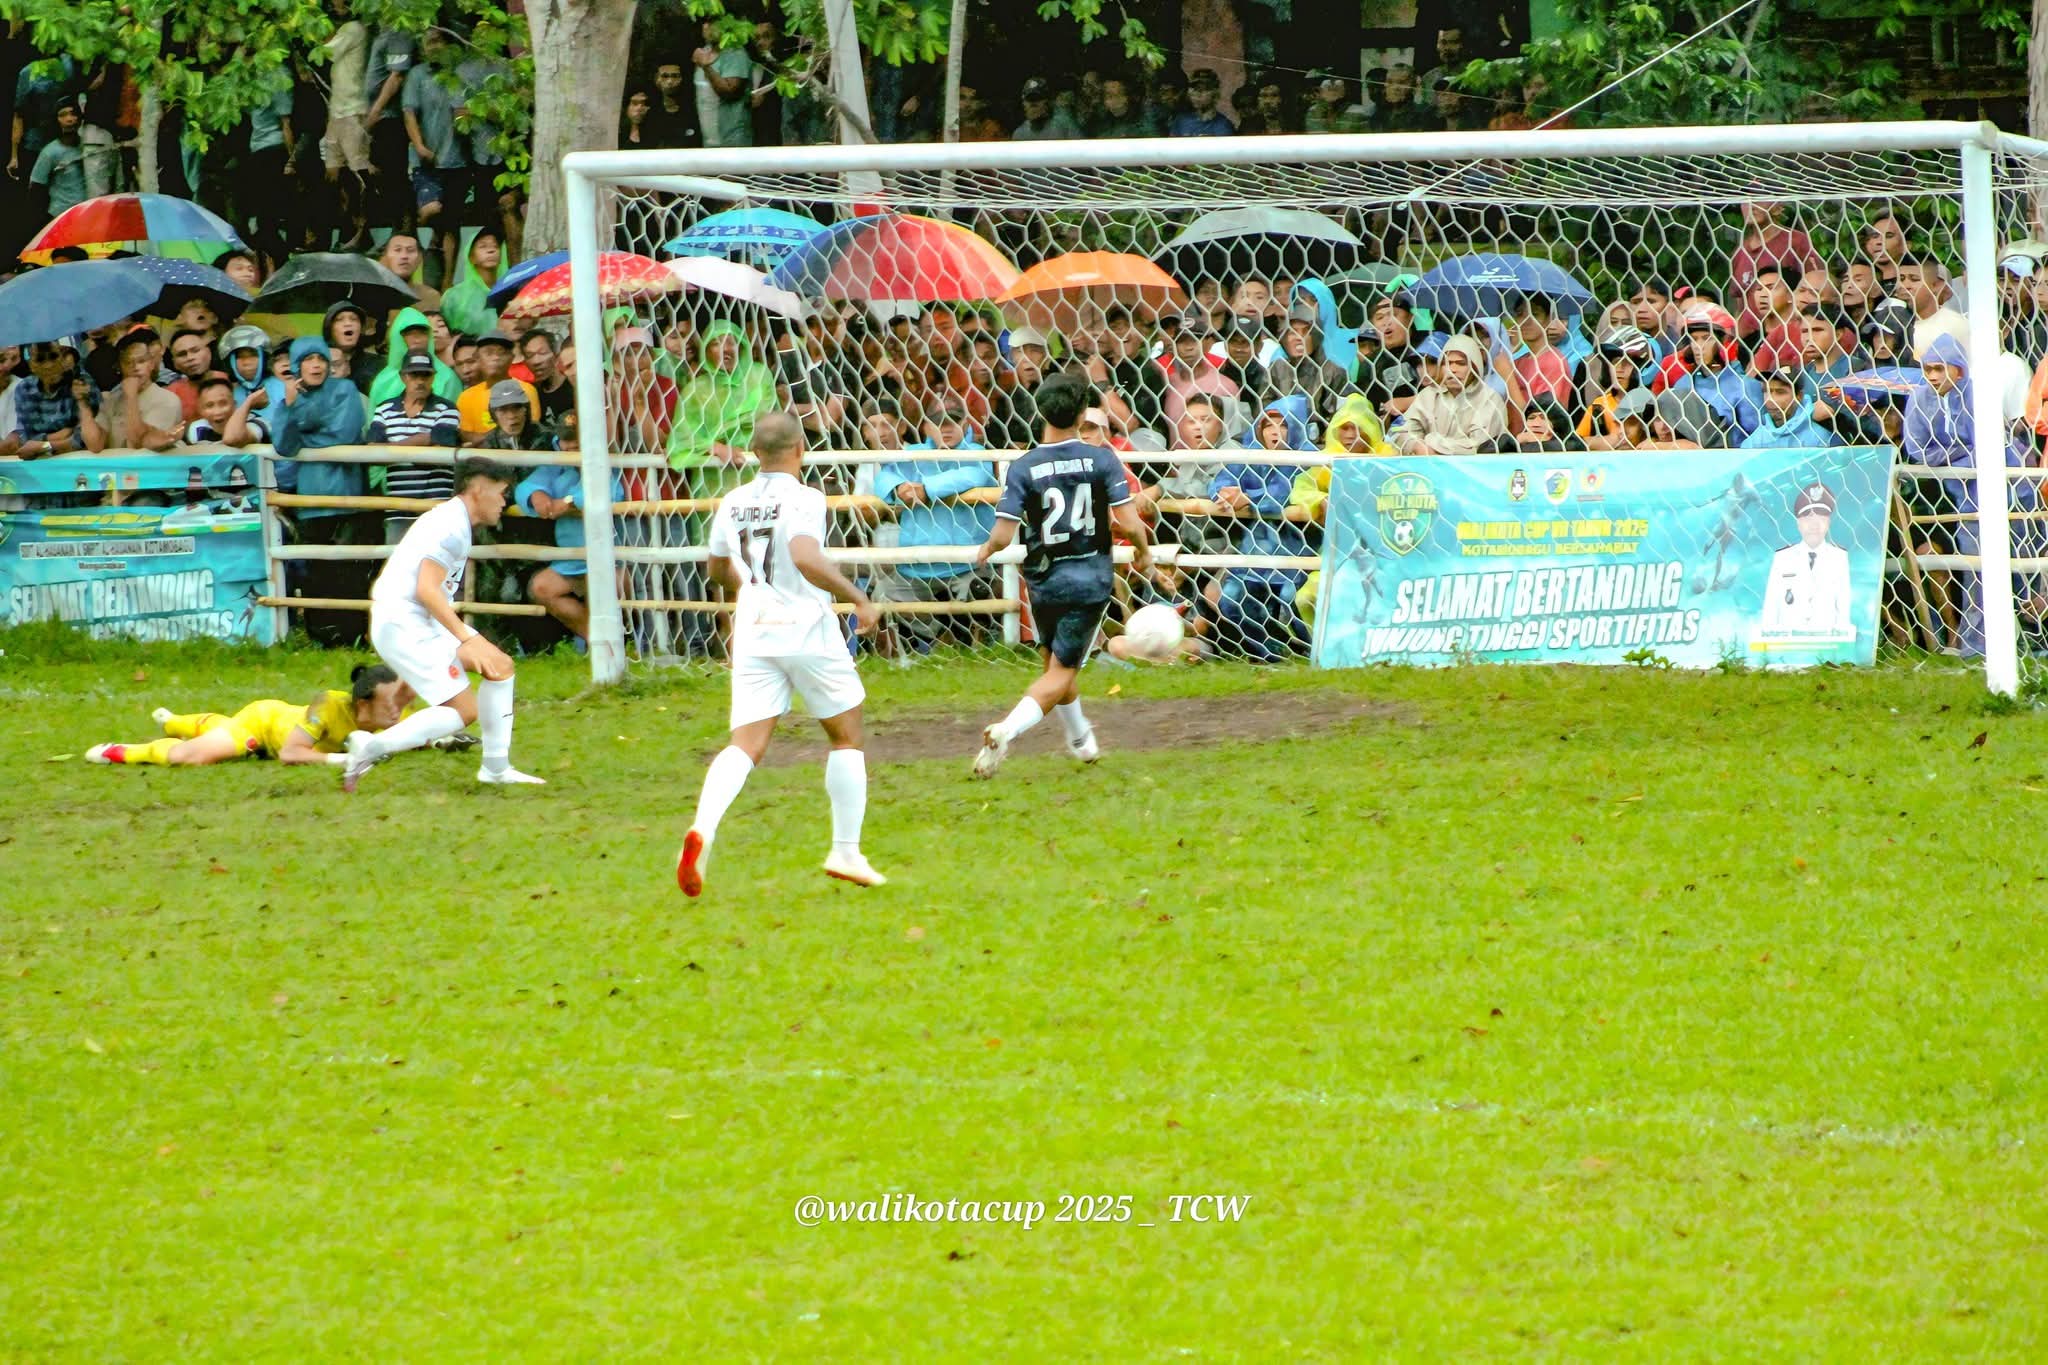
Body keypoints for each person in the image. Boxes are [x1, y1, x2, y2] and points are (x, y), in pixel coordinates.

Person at [677, 410, 884, 895]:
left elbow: (716, 570)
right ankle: (845, 851)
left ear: (754, 453)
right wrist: (858, 598)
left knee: (745, 744)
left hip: (754, 631)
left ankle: (703, 828)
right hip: (806, 627)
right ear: (799, 450)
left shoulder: (733, 501)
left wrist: (753, 590)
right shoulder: (805, 497)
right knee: (846, 735)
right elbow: (805, 556)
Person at [968, 373, 1158, 777]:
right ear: (1082, 413)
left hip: (1043, 579)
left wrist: (986, 550)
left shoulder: (1023, 466)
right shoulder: (1102, 459)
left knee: (1053, 663)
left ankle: (1081, 742)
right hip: (1088, 578)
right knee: (1061, 671)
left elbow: (1002, 535)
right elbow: (1129, 523)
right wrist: (1144, 554)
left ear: (1041, 411)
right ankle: (1006, 730)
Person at [343, 458, 542, 790]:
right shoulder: (450, 528)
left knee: (500, 666)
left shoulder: (452, 521)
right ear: (478, 488)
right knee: (463, 710)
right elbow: (427, 589)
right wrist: (466, 638)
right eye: (501, 492)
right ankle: (371, 747)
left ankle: (495, 769)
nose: (504, 502)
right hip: (404, 622)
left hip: (412, 620)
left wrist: (416, 673)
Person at [86, 665, 416, 768]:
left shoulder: (397, 715)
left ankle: (175, 721)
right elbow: (291, 753)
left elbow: (425, 732)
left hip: (278, 720)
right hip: (262, 724)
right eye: (390, 702)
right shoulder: (328, 705)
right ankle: (123, 751)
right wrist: (343, 760)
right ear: (362, 705)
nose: (397, 709)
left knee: (220, 732)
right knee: (190, 757)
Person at [367, 352, 461, 541]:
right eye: (414, 375)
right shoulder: (384, 409)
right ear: (403, 377)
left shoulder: (447, 408)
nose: (420, 381)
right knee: (397, 559)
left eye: (425, 375)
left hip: (437, 508)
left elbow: (439, 451)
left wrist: (391, 449)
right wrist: (422, 439)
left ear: (433, 377)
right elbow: (373, 453)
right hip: (398, 508)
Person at [1759, 481, 1853, 637]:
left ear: (1828, 523)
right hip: (1787, 643)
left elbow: (1843, 608)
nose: (1814, 525)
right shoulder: (1783, 558)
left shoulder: (1839, 558)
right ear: (1798, 523)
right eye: (1808, 517)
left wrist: (1842, 640)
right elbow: (1771, 606)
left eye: (1821, 517)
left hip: (1826, 643)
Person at [1391, 335, 1507, 454]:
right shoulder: (1429, 395)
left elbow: (1480, 446)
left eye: (1461, 363)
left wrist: (1433, 444)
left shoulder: (1489, 398)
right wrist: (1417, 446)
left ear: (1475, 367)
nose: (1453, 369)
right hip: (1426, 462)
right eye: (1447, 363)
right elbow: (1402, 432)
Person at [0, 338, 103, 458]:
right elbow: (25, 437)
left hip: (78, 459)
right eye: (40, 359)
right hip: (38, 461)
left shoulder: (81, 383)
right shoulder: (25, 388)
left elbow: (87, 439)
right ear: (31, 364)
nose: (48, 364)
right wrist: (61, 435)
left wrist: (45, 445)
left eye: (53, 357)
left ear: (61, 358)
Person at [100, 329, 182, 452]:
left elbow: (137, 445)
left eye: (141, 361)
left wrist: (131, 397)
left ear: (152, 364)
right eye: (128, 362)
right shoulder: (111, 399)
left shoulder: (168, 400)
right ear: (119, 367)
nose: (135, 368)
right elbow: (96, 444)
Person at [456, 330, 537, 440]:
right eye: (488, 353)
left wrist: (483, 439)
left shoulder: (525, 390)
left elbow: (530, 432)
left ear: (512, 357)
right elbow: (464, 435)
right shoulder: (467, 397)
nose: (495, 358)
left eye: (501, 352)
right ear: (477, 358)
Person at [27, 97, 88, 219]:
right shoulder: (50, 152)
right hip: (61, 214)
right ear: (56, 120)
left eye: (73, 114)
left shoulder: (88, 147)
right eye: (63, 115)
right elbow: (36, 186)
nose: (69, 119)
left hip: (86, 212)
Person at [181, 374, 270, 450]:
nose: (217, 412)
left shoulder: (257, 422)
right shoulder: (197, 429)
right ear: (201, 410)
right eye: (209, 405)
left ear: (234, 404)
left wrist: (248, 403)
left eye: (223, 403)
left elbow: (233, 439)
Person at [1169, 68, 1235, 137]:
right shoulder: (1181, 120)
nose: (1197, 94)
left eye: (1203, 89)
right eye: (1195, 89)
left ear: (1215, 93)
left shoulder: (1223, 125)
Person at [1014, 76, 1083, 140]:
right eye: (1029, 100)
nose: (1033, 104)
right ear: (1023, 104)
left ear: (1048, 102)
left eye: (1038, 98)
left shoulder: (1065, 126)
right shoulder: (1019, 134)